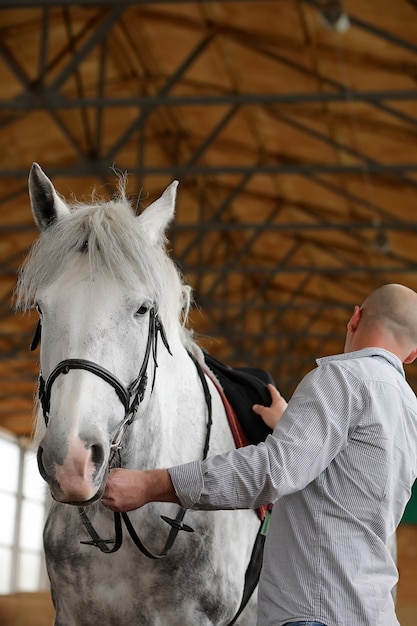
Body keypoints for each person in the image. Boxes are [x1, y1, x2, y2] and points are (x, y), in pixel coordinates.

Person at [102, 283, 417, 626]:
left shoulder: (342, 378)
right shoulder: (408, 409)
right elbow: (348, 474)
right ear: (413, 354)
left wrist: (150, 485)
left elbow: (272, 472)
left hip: (316, 613)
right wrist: (292, 425)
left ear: (354, 318)